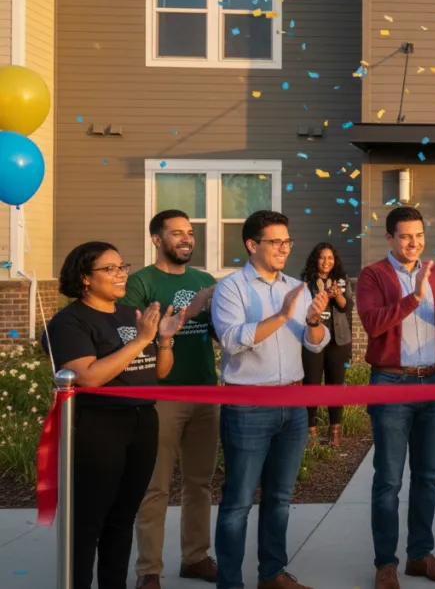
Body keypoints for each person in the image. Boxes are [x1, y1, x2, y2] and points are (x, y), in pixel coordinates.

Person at [43, 241, 186, 589]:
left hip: (140, 422)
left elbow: (160, 372)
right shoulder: (69, 322)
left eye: (123, 266)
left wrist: (163, 341)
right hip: (98, 427)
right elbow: (88, 376)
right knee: (89, 522)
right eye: (111, 269)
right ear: (85, 278)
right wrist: (140, 341)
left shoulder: (129, 313)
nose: (121, 275)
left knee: (122, 519)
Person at [210, 210, 330, 589]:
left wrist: (312, 322)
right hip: (248, 405)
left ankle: (272, 574)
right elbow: (231, 340)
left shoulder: (297, 286)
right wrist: (281, 315)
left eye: (287, 241)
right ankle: (230, 582)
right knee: (239, 502)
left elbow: (316, 346)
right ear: (251, 245)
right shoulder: (231, 288)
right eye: (275, 241)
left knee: (279, 498)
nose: (284, 248)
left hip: (293, 404)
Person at [357, 206, 435, 589]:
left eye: (419, 235)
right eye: (405, 236)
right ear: (389, 238)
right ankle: (385, 563)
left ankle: (420, 555)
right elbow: (372, 325)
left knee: (428, 476)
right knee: (388, 479)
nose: (414, 243)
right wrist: (413, 297)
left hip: (432, 381)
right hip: (391, 383)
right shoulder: (373, 275)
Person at [126, 211, 220, 589]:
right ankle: (149, 570)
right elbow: (131, 340)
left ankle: (195, 558)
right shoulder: (139, 283)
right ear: (155, 239)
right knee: (156, 485)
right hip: (160, 397)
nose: (186, 239)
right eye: (177, 233)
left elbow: (220, 332)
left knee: (199, 483)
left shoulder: (205, 280)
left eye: (190, 233)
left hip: (204, 391)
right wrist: (189, 311)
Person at [299, 242, 355, 447]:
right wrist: (322, 295)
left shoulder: (341, 280)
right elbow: (302, 307)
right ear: (316, 259)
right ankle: (311, 434)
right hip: (313, 339)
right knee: (311, 384)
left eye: (330, 258)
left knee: (335, 386)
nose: (326, 262)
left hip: (337, 340)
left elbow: (347, 306)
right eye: (322, 257)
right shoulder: (307, 282)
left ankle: (335, 433)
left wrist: (336, 294)